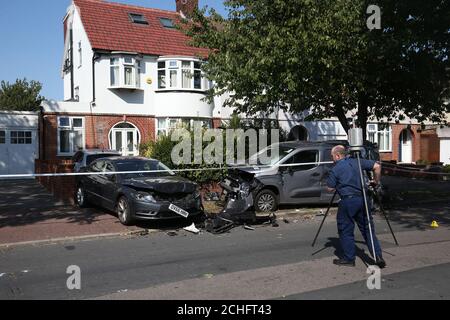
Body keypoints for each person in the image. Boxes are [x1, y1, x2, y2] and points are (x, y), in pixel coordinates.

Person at [327, 145, 386, 268]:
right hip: (363, 198)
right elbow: (377, 166)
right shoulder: (358, 162)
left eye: (332, 156)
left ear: (338, 155)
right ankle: (378, 256)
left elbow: (330, 188)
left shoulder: (336, 168)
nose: (332, 159)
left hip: (348, 201)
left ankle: (349, 258)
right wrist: (376, 181)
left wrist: (334, 183)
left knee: (345, 230)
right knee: (367, 229)